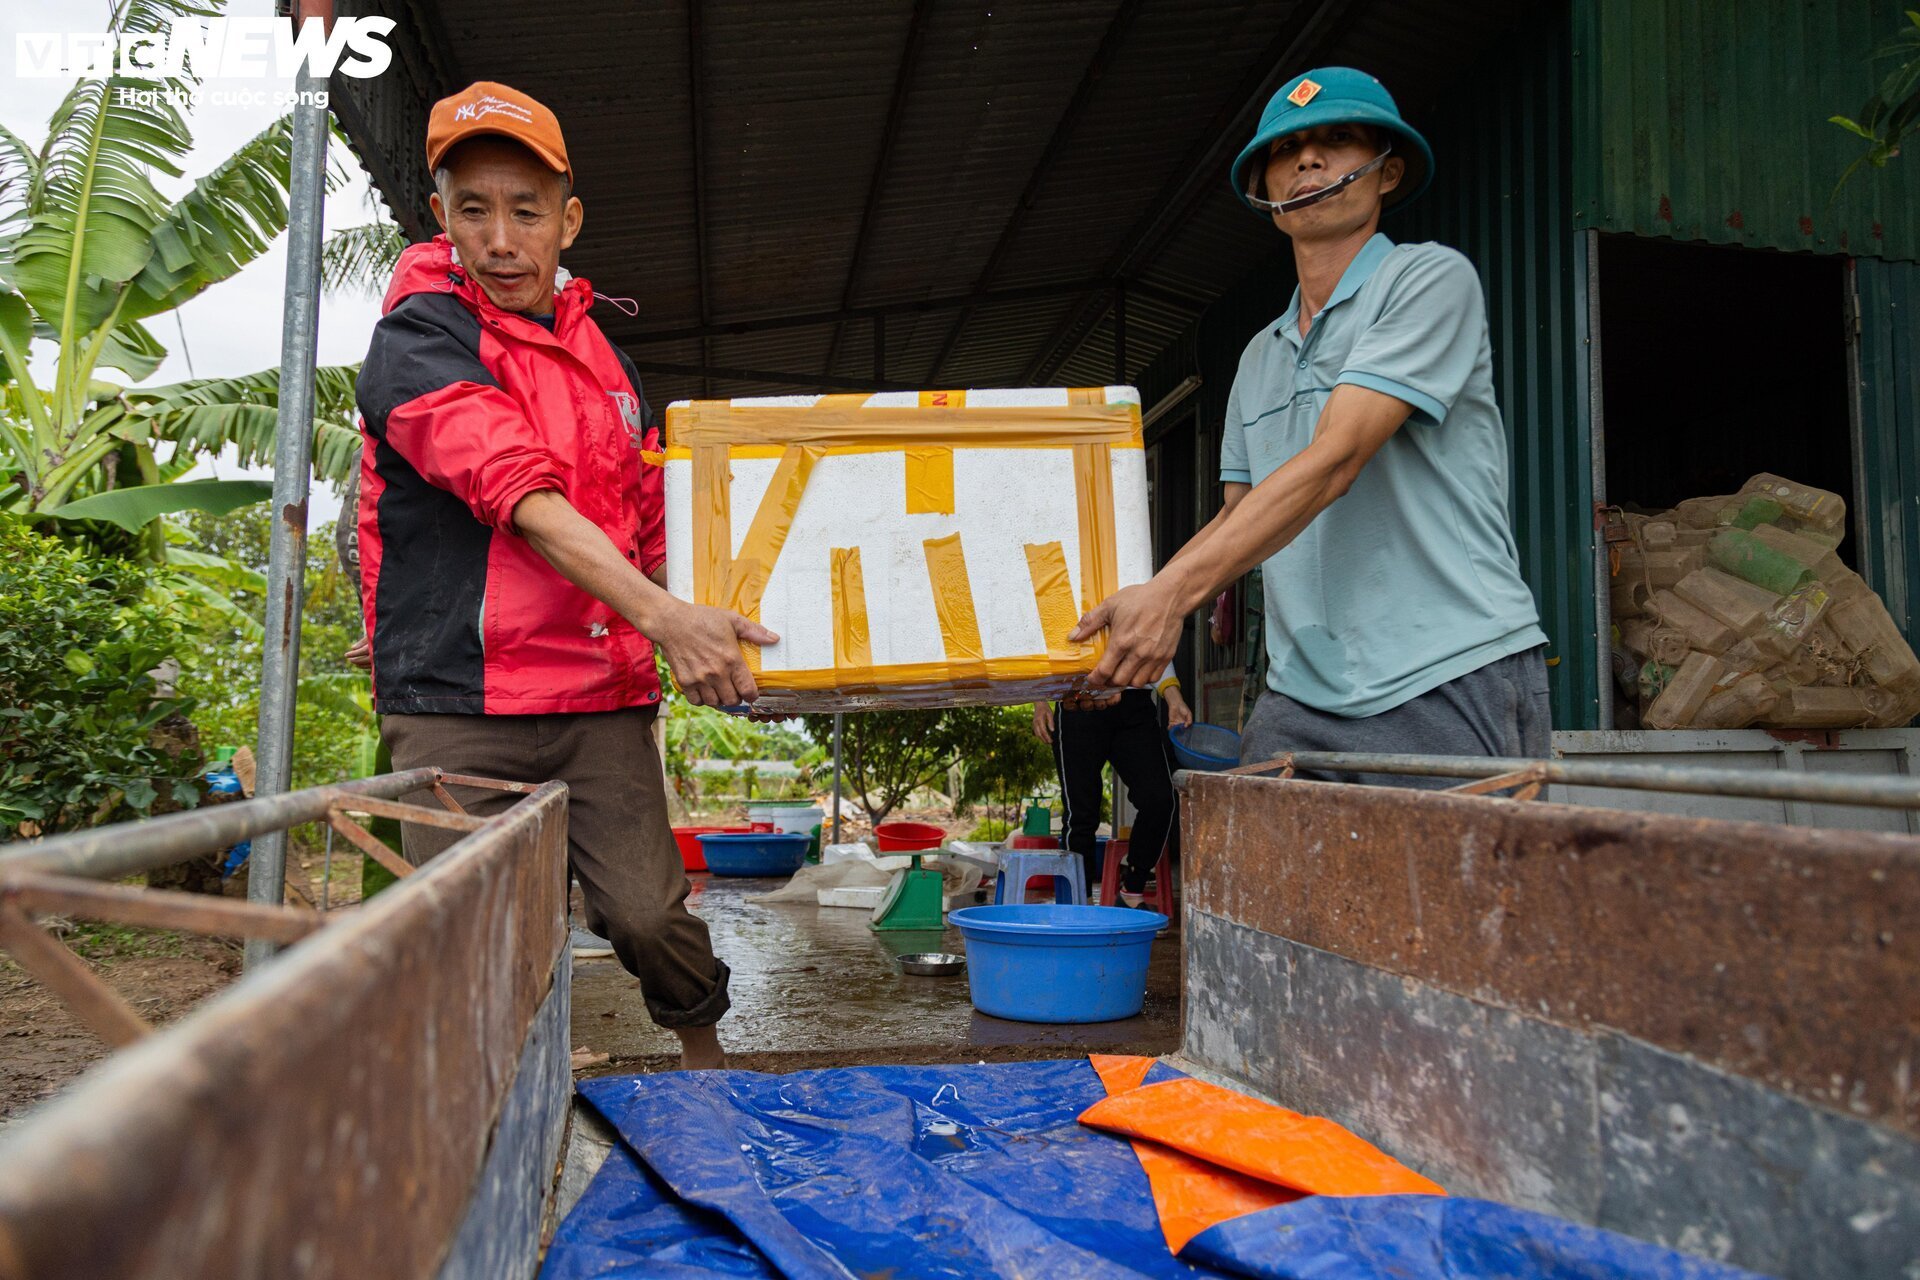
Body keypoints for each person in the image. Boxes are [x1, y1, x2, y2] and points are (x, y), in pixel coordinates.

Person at [352, 81, 776, 1069]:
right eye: (474, 209)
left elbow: (649, 524)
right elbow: (520, 493)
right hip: (459, 700)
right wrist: (670, 620)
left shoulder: (606, 362)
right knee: (489, 945)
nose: (501, 238)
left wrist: (757, 626)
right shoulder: (418, 342)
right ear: (441, 219)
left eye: (526, 210)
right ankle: (503, 1134)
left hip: (597, 700)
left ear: (568, 219)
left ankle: (710, 1072)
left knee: (646, 913)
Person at [1071, 68, 1549, 785]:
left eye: (1337, 138)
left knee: (1448, 898)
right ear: (1265, 192)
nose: (1309, 160)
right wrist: (1126, 627)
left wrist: (1169, 595)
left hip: (1443, 668)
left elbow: (1336, 459)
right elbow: (1238, 519)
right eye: (1287, 148)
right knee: (1252, 892)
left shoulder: (1427, 281)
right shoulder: (1258, 356)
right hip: (1300, 696)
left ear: (1387, 172)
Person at [1031, 666, 1190, 906]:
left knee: (1159, 800)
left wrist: (1173, 697)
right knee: (1080, 815)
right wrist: (1039, 700)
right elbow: (1041, 643)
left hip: (1135, 703)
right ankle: (1078, 906)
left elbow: (1153, 641)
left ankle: (1132, 892)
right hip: (1076, 700)